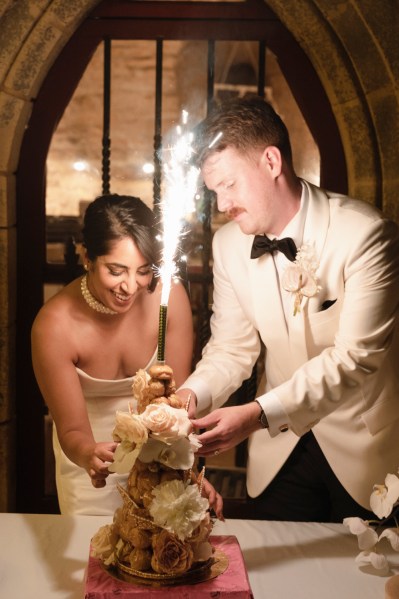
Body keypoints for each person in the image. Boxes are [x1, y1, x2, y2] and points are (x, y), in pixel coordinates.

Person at [178, 96, 399, 522]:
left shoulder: (367, 235)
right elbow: (231, 349)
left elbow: (355, 358)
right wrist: (193, 394)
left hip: (364, 449)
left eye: (229, 185)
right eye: (214, 191)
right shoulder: (227, 245)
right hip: (279, 453)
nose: (222, 205)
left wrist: (257, 414)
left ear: (271, 162)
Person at [32, 194, 222, 517]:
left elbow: (174, 405)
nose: (131, 287)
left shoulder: (168, 298)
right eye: (116, 270)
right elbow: (72, 430)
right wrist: (88, 454)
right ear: (86, 257)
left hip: (160, 460)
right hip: (91, 468)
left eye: (143, 270)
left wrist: (185, 473)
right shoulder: (54, 326)